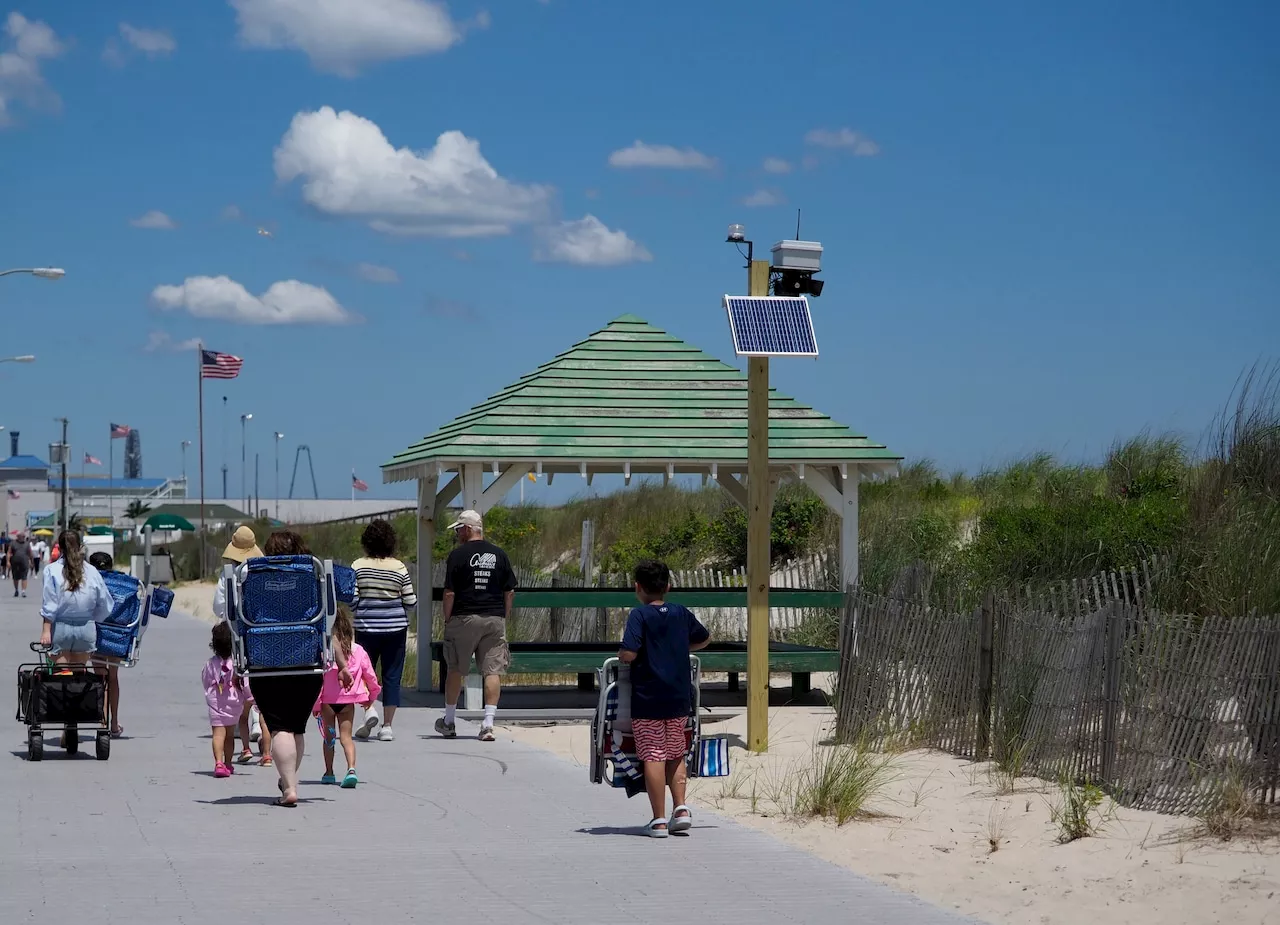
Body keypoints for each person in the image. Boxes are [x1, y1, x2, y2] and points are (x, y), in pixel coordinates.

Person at [247, 531, 351, 807]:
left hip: (264, 658)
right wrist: (341, 665)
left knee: (279, 726)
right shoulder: (312, 575)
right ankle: (289, 781)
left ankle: (289, 786)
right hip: (307, 660)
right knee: (296, 727)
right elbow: (327, 625)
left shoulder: (253, 577)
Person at [619, 559, 711, 838]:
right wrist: (680, 646)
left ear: (638, 588)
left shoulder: (639, 615)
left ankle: (659, 820)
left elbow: (630, 652)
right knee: (675, 753)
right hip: (678, 697)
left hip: (648, 698)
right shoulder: (681, 613)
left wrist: (623, 655)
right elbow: (705, 638)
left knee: (653, 756)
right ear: (668, 586)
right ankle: (681, 809)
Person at [434, 510, 516, 742]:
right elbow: (509, 591)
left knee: (455, 668)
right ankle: (488, 723)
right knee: (492, 670)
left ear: (469, 529)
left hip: (464, 617)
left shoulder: (458, 555)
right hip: (494, 618)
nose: (458, 533)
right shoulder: (499, 554)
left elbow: (449, 592)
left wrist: (447, 618)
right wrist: (504, 616)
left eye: (459, 529)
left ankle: (449, 721)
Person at [350, 519, 417, 743]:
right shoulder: (399, 567)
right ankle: (387, 726)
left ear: (366, 541)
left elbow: (352, 600)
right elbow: (410, 602)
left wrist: (361, 609)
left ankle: (369, 710)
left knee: (364, 674)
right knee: (392, 676)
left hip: (366, 628)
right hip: (395, 629)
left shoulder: (358, 565)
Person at [212, 525, 272, 765]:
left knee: (239, 680)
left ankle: (245, 733)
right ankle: (259, 721)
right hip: (260, 633)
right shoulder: (264, 572)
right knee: (258, 680)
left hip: (237, 634)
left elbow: (219, 607)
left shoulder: (228, 575)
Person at [314, 605, 380, 788]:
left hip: (328, 701)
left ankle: (329, 772)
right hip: (347, 701)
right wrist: (371, 696)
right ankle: (351, 769)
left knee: (329, 738)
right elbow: (371, 677)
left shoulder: (324, 652)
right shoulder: (358, 650)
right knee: (346, 737)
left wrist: (316, 705)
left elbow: (318, 680)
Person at [39, 530, 114, 666]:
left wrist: (46, 631)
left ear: (59, 548)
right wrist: (93, 618)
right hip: (86, 628)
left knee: (62, 676)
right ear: (80, 546)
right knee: (79, 678)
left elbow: (50, 603)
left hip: (61, 628)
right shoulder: (92, 571)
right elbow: (105, 602)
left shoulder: (51, 570)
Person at [88, 551, 127, 737]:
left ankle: (102, 720)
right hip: (118, 635)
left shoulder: (92, 581)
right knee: (113, 677)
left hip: (98, 633)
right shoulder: (122, 582)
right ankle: (114, 722)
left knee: (100, 678)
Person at [202, 622, 248, 778]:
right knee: (229, 735)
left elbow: (206, 681)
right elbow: (244, 683)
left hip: (216, 703)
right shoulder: (237, 663)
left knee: (218, 734)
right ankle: (229, 763)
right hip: (233, 703)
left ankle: (219, 763)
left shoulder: (210, 663)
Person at [11, 531, 32, 597]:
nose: (23, 537)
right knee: (15, 577)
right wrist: (8, 562)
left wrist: (31, 561)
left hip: (24, 562)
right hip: (15, 562)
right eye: (22, 536)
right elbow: (9, 552)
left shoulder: (27, 544)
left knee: (24, 577)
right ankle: (16, 590)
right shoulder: (13, 543)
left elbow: (30, 553)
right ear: (18, 537)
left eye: (24, 536)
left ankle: (23, 591)